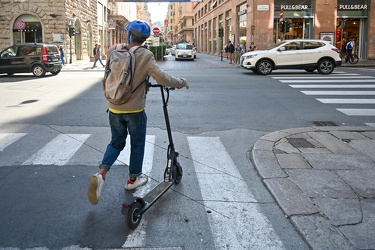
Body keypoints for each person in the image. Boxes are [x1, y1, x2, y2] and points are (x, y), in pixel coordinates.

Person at [87, 20, 189, 205]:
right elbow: (163, 78)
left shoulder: (113, 51)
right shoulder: (145, 55)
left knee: (116, 142)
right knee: (137, 143)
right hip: (134, 110)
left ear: (130, 35)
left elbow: (113, 76)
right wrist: (181, 82)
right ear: (143, 39)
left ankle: (101, 173)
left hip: (114, 107)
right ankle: (132, 179)